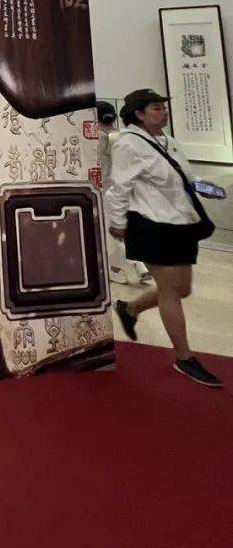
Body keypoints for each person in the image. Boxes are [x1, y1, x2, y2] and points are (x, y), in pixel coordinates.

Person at [108, 88, 220, 387]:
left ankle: (130, 308)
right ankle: (184, 357)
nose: (163, 112)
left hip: (181, 223)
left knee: (181, 289)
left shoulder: (169, 141)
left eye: (163, 107)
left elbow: (185, 177)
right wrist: (118, 223)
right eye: (156, 108)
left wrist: (205, 188)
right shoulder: (128, 144)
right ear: (139, 114)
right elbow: (119, 188)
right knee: (170, 292)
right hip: (150, 224)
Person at [97, 102, 149, 287]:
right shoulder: (121, 136)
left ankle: (119, 269)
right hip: (125, 188)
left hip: (105, 190)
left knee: (112, 232)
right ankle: (140, 265)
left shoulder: (98, 138)